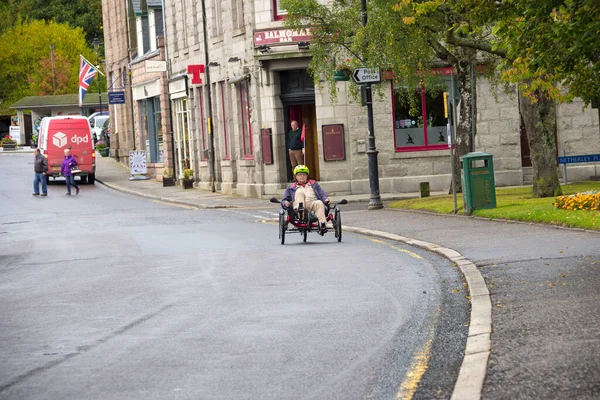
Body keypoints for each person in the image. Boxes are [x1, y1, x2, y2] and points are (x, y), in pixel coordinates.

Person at [282, 165, 331, 235]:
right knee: (299, 192)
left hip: (312, 205)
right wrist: (285, 203)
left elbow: (321, 193)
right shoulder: (291, 187)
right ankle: (300, 212)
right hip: (299, 207)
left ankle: (322, 224)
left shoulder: (313, 184)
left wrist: (326, 198)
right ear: (296, 176)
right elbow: (284, 200)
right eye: (299, 175)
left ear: (307, 176)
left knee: (319, 202)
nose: (302, 176)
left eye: (304, 174)